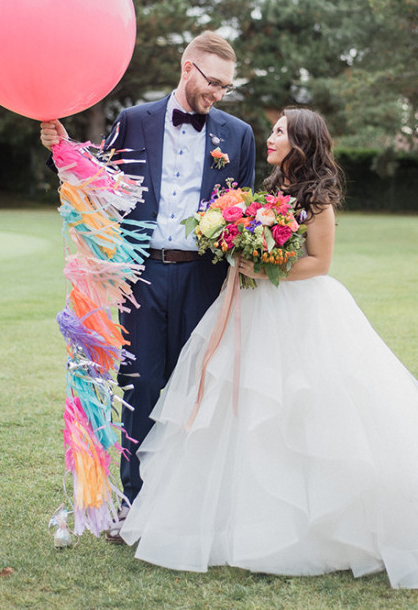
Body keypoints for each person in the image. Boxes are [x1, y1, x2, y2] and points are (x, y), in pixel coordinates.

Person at [119, 107, 418, 589]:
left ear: (300, 142)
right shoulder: (270, 190)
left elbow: (320, 263)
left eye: (279, 131)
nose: (270, 137)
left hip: (302, 311)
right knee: (245, 409)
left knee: (304, 408)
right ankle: (243, 518)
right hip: (254, 310)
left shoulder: (318, 199)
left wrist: (262, 268)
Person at [40, 31, 256, 539]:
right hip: (143, 277)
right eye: (213, 82)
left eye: (226, 87)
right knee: (140, 384)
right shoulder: (133, 121)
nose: (217, 94)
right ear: (187, 68)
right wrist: (62, 148)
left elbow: (243, 210)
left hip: (206, 278)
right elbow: (102, 185)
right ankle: (134, 503)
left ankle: (189, 503)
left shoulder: (239, 134)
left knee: (199, 389)